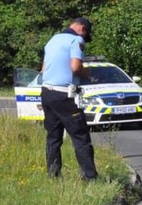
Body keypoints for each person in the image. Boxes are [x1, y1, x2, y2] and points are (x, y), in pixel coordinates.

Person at [40, 17, 98, 180]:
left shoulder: (53, 39)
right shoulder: (76, 40)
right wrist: (87, 73)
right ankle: (90, 177)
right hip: (64, 95)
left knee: (53, 137)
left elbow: (43, 69)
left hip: (47, 93)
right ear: (82, 28)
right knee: (80, 136)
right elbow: (75, 67)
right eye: (86, 35)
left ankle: (53, 176)